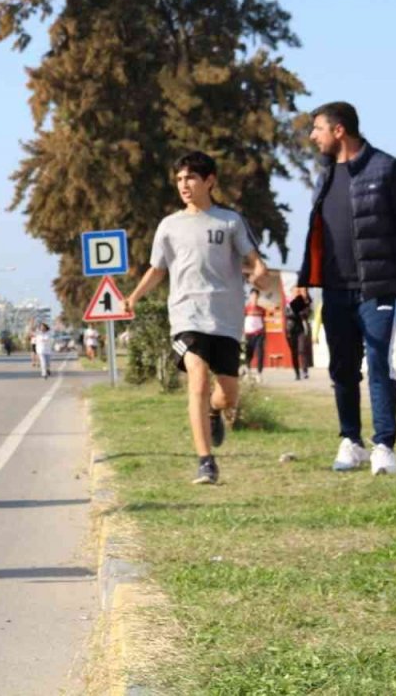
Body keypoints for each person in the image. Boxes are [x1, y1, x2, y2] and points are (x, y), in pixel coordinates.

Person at [123, 151, 268, 485]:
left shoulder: (229, 221)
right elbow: (157, 269)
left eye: (190, 178)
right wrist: (133, 296)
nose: (184, 185)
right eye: (179, 179)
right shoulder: (169, 226)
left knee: (228, 395)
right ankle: (206, 461)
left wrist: (259, 270)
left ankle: (215, 411)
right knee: (198, 377)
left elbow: (253, 258)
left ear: (209, 181)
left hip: (226, 318)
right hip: (186, 315)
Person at [292, 102, 396, 475]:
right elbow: (316, 235)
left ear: (339, 130)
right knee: (342, 369)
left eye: (317, 129)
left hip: (378, 288)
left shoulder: (387, 169)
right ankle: (351, 441)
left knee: (379, 366)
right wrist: (304, 281)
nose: (312, 136)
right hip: (335, 291)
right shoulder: (323, 177)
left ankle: (384, 445)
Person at [243, 289, 268, 382]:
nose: (254, 298)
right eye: (253, 296)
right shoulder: (246, 309)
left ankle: (259, 373)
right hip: (249, 334)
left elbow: (264, 321)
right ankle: (248, 371)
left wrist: (265, 333)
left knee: (260, 353)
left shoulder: (261, 309)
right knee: (249, 353)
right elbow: (242, 321)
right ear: (250, 297)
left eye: (256, 297)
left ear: (258, 298)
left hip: (259, 333)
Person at [285, 294, 311, 381]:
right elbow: (287, 314)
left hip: (301, 330)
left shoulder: (301, 302)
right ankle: (297, 373)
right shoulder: (287, 303)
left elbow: (307, 313)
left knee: (302, 349)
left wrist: (302, 311)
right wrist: (296, 311)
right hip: (291, 330)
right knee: (294, 353)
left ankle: (305, 371)